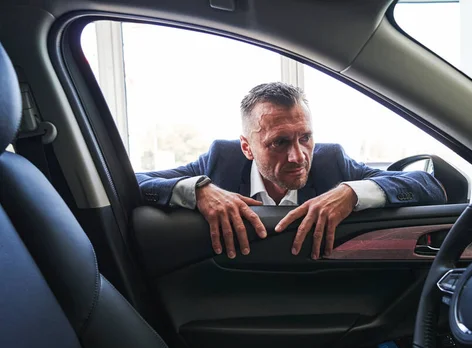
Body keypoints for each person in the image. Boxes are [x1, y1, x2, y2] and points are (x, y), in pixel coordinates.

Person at [136, 82, 446, 260]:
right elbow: (133, 183)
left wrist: (352, 193)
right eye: (280, 142)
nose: (298, 156)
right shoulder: (220, 161)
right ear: (247, 147)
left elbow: (427, 186)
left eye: (305, 138)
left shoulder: (332, 162)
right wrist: (198, 190)